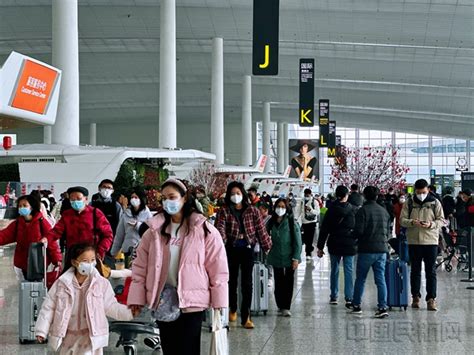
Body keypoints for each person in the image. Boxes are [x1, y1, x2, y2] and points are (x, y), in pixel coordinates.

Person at [127, 179, 229, 355]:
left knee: (189, 349)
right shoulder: (154, 231)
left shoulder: (203, 229)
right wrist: (136, 297)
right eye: (164, 198)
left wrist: (219, 300)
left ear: (184, 198)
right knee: (170, 348)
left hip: (192, 301)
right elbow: (139, 266)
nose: (168, 202)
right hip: (164, 299)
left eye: (172, 197)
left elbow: (218, 267)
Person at [35, 243, 133, 354]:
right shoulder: (61, 284)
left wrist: (129, 313)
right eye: (85, 261)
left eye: (92, 260)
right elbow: (49, 307)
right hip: (67, 336)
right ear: (74, 262)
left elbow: (110, 306)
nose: (90, 264)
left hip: (90, 336)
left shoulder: (101, 284)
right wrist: (41, 330)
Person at [215, 181, 272, 329]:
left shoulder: (252, 211)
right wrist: (223, 242)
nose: (235, 196)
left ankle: (246, 316)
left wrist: (267, 246)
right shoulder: (224, 211)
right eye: (233, 194)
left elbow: (260, 229)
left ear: (243, 195)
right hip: (231, 249)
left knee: (247, 283)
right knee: (231, 281)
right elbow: (219, 228)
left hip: (247, 249)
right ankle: (232, 308)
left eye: (238, 193)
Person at [400, 179, 445, 311]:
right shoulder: (409, 202)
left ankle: (431, 299)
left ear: (428, 190)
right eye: (419, 192)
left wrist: (431, 224)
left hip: (430, 241)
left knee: (431, 271)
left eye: (424, 192)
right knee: (415, 270)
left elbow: (442, 220)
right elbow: (402, 220)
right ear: (415, 191)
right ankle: (415, 297)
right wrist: (412, 222)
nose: (421, 194)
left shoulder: (435, 202)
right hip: (414, 241)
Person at [0, 195, 62, 280]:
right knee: (24, 288)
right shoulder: (18, 223)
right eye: (20, 206)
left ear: (32, 207)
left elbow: (51, 241)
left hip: (38, 262)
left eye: (25, 206)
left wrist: (57, 259)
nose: (22, 208)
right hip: (21, 262)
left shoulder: (41, 222)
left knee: (37, 287)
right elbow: (5, 235)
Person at [350, 186, 390, 318]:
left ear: (364, 196)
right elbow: (388, 232)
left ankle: (356, 305)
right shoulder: (384, 212)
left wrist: (352, 236)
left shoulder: (363, 211)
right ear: (377, 196)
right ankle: (383, 307)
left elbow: (359, 231)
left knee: (360, 279)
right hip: (382, 251)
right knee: (381, 280)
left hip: (366, 250)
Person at [45, 186, 114, 260]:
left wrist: (100, 250)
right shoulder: (67, 215)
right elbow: (56, 231)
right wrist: (46, 239)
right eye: (72, 199)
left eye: (79, 199)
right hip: (72, 256)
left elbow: (108, 235)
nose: (75, 201)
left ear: (86, 199)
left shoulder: (96, 213)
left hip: (92, 256)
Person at [317, 186, 356, 308]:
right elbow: (356, 228)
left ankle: (334, 296)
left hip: (334, 242)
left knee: (334, 269)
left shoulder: (331, 210)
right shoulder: (353, 209)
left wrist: (320, 247)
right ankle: (349, 298)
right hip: (349, 244)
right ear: (346, 195)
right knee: (349, 270)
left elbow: (324, 229)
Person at [266, 198, 302, 317]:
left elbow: (297, 242)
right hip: (276, 256)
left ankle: (286, 306)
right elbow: (265, 236)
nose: (280, 209)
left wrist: (296, 258)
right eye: (278, 206)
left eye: (283, 207)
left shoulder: (291, 223)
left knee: (288, 282)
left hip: (290, 257)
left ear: (287, 209)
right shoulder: (271, 222)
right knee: (279, 280)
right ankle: (280, 304)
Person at [110, 189, 153, 264]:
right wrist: (114, 252)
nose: (133, 199)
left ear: (141, 199)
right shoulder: (126, 214)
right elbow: (119, 235)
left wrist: (138, 225)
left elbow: (151, 232)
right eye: (132, 197)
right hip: (126, 251)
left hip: (142, 252)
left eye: (136, 197)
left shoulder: (148, 215)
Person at [297, 188, 320, 261]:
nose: (306, 196)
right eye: (305, 195)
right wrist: (296, 219)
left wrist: (311, 210)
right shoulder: (302, 201)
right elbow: (299, 211)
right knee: (306, 238)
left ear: (310, 194)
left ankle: (308, 253)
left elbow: (317, 212)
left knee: (310, 238)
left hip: (312, 222)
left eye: (308, 195)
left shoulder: (315, 202)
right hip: (304, 222)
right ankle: (310, 248)